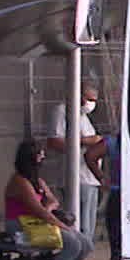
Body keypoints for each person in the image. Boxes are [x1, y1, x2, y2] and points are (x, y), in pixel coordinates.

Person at [5, 140, 91, 260]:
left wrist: (49, 207)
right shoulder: (20, 182)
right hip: (21, 225)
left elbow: (52, 201)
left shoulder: (38, 181)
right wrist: (62, 225)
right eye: (40, 154)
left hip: (38, 223)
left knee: (86, 244)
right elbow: (40, 211)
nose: (43, 157)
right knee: (72, 243)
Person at [45, 82, 105, 248]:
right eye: (89, 99)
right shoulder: (62, 111)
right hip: (76, 176)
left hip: (90, 177)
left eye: (94, 100)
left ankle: (85, 251)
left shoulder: (83, 116)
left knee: (89, 226)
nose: (91, 104)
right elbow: (54, 142)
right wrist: (87, 141)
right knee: (79, 224)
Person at [102, 131, 123, 260]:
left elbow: (90, 155)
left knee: (117, 251)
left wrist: (103, 178)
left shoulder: (114, 141)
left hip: (117, 194)